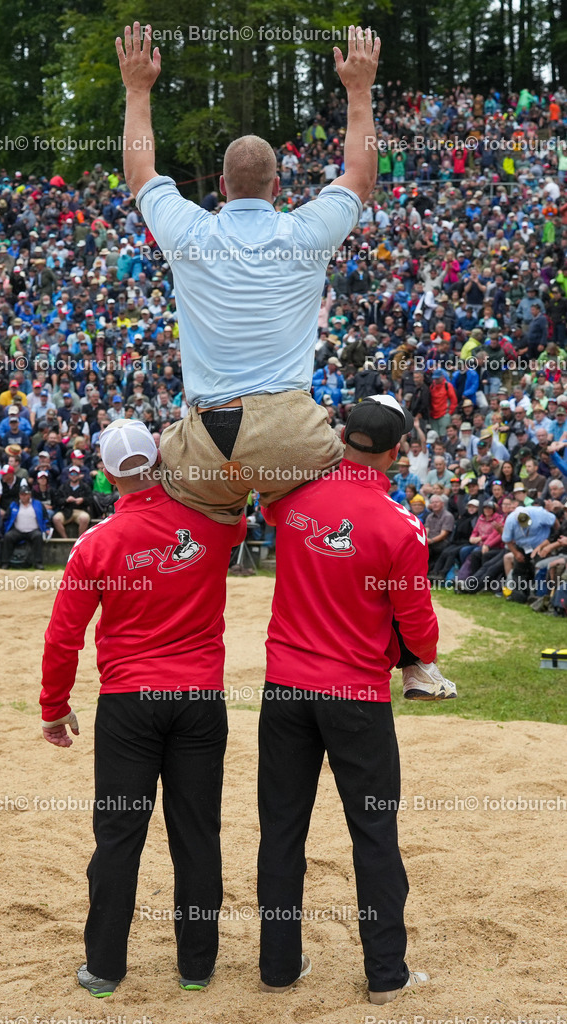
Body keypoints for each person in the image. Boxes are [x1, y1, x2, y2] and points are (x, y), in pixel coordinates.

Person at [116, 22, 381, 522]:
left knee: (195, 535)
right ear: (277, 186)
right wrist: (359, 89)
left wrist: (136, 89)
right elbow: (361, 176)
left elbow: (140, 172)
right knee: (328, 510)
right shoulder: (307, 233)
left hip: (208, 436)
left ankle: (197, 561)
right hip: (289, 432)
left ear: (220, 183)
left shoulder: (189, 231)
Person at [39, 421, 245, 996]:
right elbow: (238, 520)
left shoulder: (96, 543)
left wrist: (54, 707)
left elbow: (64, 638)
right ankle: (196, 967)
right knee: (198, 834)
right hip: (200, 697)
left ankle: (104, 969)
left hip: (129, 702)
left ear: (106, 477)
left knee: (119, 834)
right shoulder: (209, 524)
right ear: (160, 462)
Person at [256, 397, 441, 1005]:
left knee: (282, 830)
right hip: (357, 694)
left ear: (341, 436)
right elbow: (419, 629)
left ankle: (279, 966)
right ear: (397, 451)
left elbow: (267, 500)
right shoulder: (399, 525)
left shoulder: (295, 498)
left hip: (286, 685)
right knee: (374, 834)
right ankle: (386, 975)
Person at [1, 480, 47, 569]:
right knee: (8, 536)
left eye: (25, 494)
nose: (23, 496)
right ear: (19, 495)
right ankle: (5, 562)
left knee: (38, 536)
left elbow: (45, 518)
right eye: (22, 494)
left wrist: (47, 528)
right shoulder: (14, 505)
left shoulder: (38, 504)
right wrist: (6, 529)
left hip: (33, 530)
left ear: (29, 495)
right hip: (18, 530)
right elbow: (7, 518)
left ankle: (38, 563)